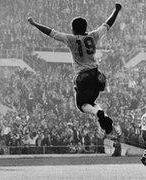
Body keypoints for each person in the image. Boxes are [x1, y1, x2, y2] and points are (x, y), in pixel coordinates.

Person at [28, 4, 122, 135]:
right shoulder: (93, 36)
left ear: (73, 29)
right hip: (98, 76)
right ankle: (103, 119)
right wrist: (116, 10)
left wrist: (34, 23)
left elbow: (50, 32)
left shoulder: (70, 39)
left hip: (83, 77)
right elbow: (107, 24)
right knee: (91, 102)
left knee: (81, 105)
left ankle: (98, 113)